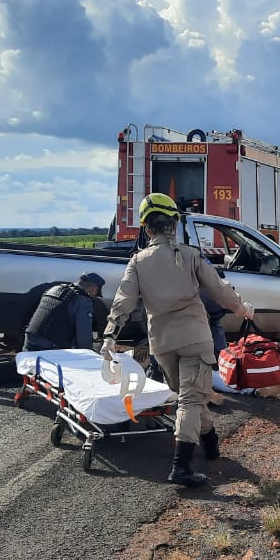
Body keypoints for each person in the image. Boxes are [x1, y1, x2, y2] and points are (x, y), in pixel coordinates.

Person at [102, 193, 255, 488]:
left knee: (189, 396)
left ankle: (209, 440)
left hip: (162, 342)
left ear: (147, 229)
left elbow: (123, 302)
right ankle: (181, 466)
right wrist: (242, 308)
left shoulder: (138, 262)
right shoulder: (190, 255)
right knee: (190, 398)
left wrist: (109, 336)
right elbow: (220, 290)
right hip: (195, 337)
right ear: (174, 224)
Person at [23, 272, 106, 351]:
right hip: (50, 347)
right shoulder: (83, 301)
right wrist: (88, 356)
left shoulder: (54, 289)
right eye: (96, 293)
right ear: (93, 288)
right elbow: (83, 338)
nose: (94, 296)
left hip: (29, 340)